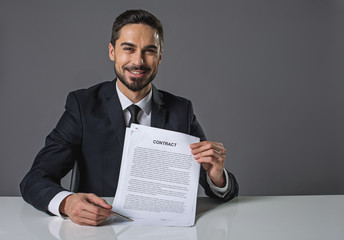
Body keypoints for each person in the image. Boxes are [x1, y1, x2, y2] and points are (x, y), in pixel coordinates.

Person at [20, 9, 239, 226]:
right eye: (129, 49)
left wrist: (216, 177)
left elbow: (219, 189)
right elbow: (35, 179)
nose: (138, 61)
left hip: (163, 231)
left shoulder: (181, 110)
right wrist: (67, 203)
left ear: (160, 57)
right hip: (99, 230)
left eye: (149, 51)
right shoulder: (83, 106)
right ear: (112, 51)